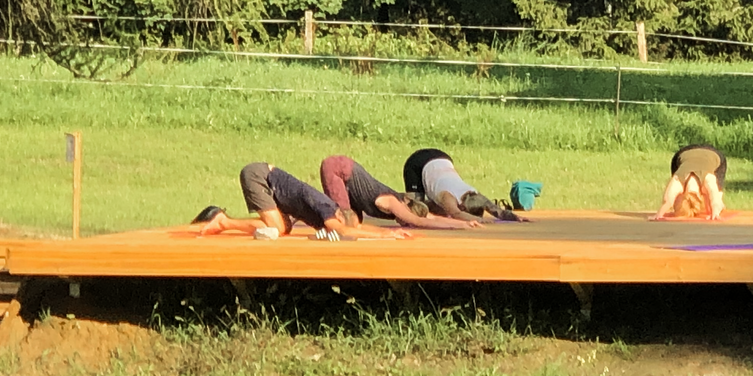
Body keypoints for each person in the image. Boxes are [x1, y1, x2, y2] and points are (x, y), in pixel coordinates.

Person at [193, 162, 409, 238]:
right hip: (259, 176)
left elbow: (352, 228)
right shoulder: (327, 209)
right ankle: (221, 220)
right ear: (338, 216)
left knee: (283, 228)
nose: (337, 227)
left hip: (270, 180)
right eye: (340, 223)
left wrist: (386, 233)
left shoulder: (331, 211)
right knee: (277, 228)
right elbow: (344, 231)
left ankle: (223, 222)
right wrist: (385, 233)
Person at [319, 155, 473, 229]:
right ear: (407, 207)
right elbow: (418, 221)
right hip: (338, 169)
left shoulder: (405, 204)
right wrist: (456, 227)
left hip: (346, 174)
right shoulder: (393, 201)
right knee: (344, 220)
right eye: (405, 219)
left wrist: (464, 223)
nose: (402, 222)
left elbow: (431, 218)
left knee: (355, 222)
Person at [402, 148, 524, 223]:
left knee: (440, 211)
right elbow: (456, 214)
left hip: (442, 158)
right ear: (463, 207)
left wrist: (516, 217)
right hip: (417, 162)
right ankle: (397, 201)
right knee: (415, 208)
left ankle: (422, 202)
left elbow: (499, 212)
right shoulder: (447, 196)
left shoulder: (476, 195)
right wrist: (480, 220)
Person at [649, 144, 727, 220]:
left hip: (712, 153)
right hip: (685, 152)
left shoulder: (707, 179)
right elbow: (667, 201)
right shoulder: (677, 182)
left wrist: (715, 212)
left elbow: (668, 201)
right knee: (711, 202)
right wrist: (659, 214)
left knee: (713, 201)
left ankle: (719, 202)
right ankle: (716, 203)